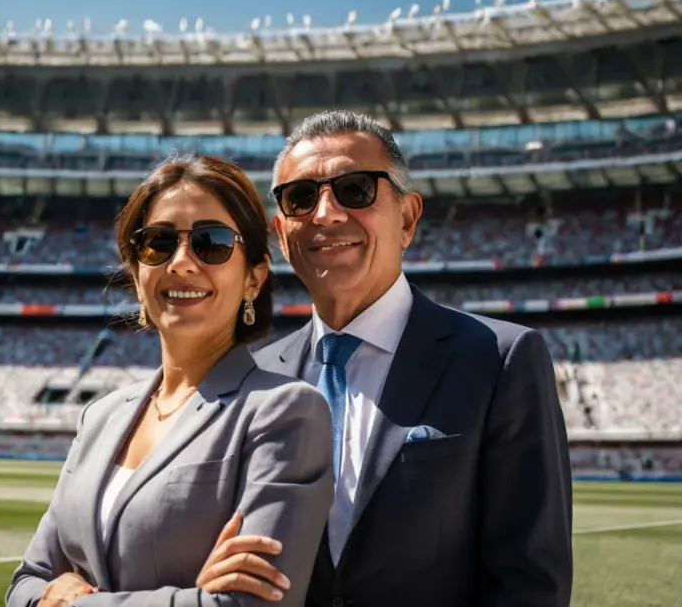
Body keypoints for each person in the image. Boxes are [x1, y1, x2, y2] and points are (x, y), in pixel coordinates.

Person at [196, 110, 574, 607]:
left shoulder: (500, 360)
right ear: (282, 233)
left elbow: (530, 585)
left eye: (355, 189)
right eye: (301, 197)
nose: (326, 214)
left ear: (408, 218)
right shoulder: (255, 376)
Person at [6, 154, 335, 607]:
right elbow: (25, 583)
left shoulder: (285, 412)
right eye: (157, 243)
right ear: (138, 277)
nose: (181, 262)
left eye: (212, 242)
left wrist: (73, 603)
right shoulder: (99, 417)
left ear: (254, 278)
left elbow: (252, 605)